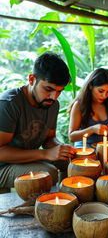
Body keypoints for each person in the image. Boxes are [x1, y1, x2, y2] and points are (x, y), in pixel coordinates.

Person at [0, 52, 76, 188]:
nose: (54, 97)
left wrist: (61, 149)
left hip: (26, 158)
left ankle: (67, 197)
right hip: (3, 165)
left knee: (72, 162)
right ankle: (48, 204)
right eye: (49, 89)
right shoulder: (9, 103)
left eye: (60, 91)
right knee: (48, 173)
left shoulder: (52, 104)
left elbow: (49, 139)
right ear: (31, 79)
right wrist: (46, 154)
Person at [68, 68, 108, 148]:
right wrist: (92, 129)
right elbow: (71, 137)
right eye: (101, 91)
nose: (104, 96)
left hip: (107, 146)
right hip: (85, 147)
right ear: (90, 86)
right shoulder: (79, 105)